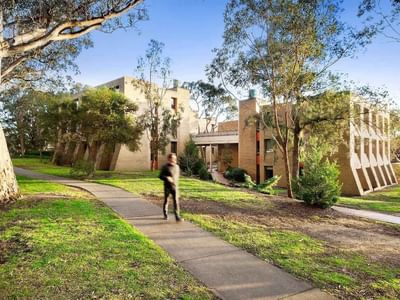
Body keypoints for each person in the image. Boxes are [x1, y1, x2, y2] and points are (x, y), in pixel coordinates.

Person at [159, 153, 183, 221]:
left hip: (175, 187)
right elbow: (160, 176)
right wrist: (167, 178)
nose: (174, 160)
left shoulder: (177, 167)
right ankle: (165, 214)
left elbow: (177, 176)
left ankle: (177, 217)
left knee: (176, 201)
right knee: (166, 200)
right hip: (167, 187)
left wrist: (177, 185)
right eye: (172, 158)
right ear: (169, 159)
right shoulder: (165, 167)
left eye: (174, 158)